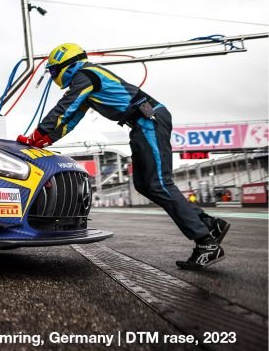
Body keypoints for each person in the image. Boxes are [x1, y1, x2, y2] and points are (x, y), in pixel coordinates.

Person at [17, 43, 230, 269]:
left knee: (159, 183)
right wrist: (44, 140)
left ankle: (206, 243)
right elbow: (70, 119)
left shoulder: (85, 75)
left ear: (67, 65)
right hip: (141, 124)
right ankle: (209, 223)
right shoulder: (88, 80)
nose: (53, 76)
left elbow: (65, 107)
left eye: (53, 70)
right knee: (144, 185)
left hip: (149, 121)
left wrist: (36, 136)